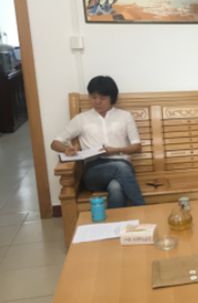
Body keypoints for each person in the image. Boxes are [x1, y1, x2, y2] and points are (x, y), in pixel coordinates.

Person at [51, 76, 145, 208]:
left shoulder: (125, 116)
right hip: (94, 171)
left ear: (112, 98)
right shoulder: (82, 119)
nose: (97, 102)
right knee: (120, 168)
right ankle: (143, 208)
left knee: (116, 188)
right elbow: (55, 143)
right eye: (93, 97)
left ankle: (117, 221)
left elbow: (137, 147)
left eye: (102, 98)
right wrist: (66, 149)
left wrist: (117, 150)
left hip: (122, 165)